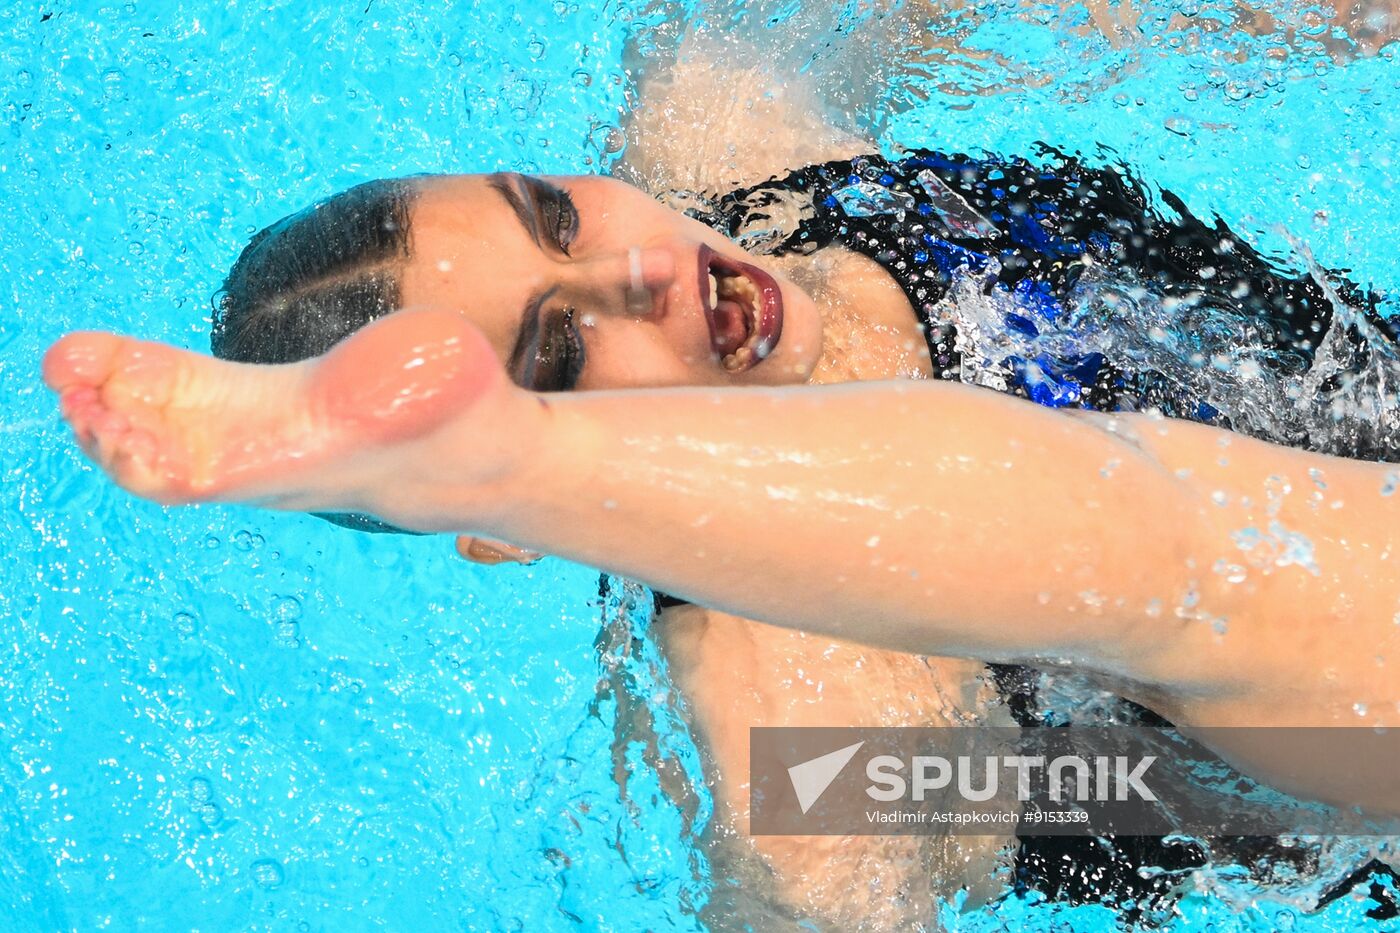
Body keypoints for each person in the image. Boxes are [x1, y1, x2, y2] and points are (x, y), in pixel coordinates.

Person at [40, 12, 1400, 930]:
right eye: (562, 346)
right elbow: (825, 878)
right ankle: (509, 466)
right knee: (1179, 568)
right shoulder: (789, 706)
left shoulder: (731, 141)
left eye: (557, 214)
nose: (640, 268)